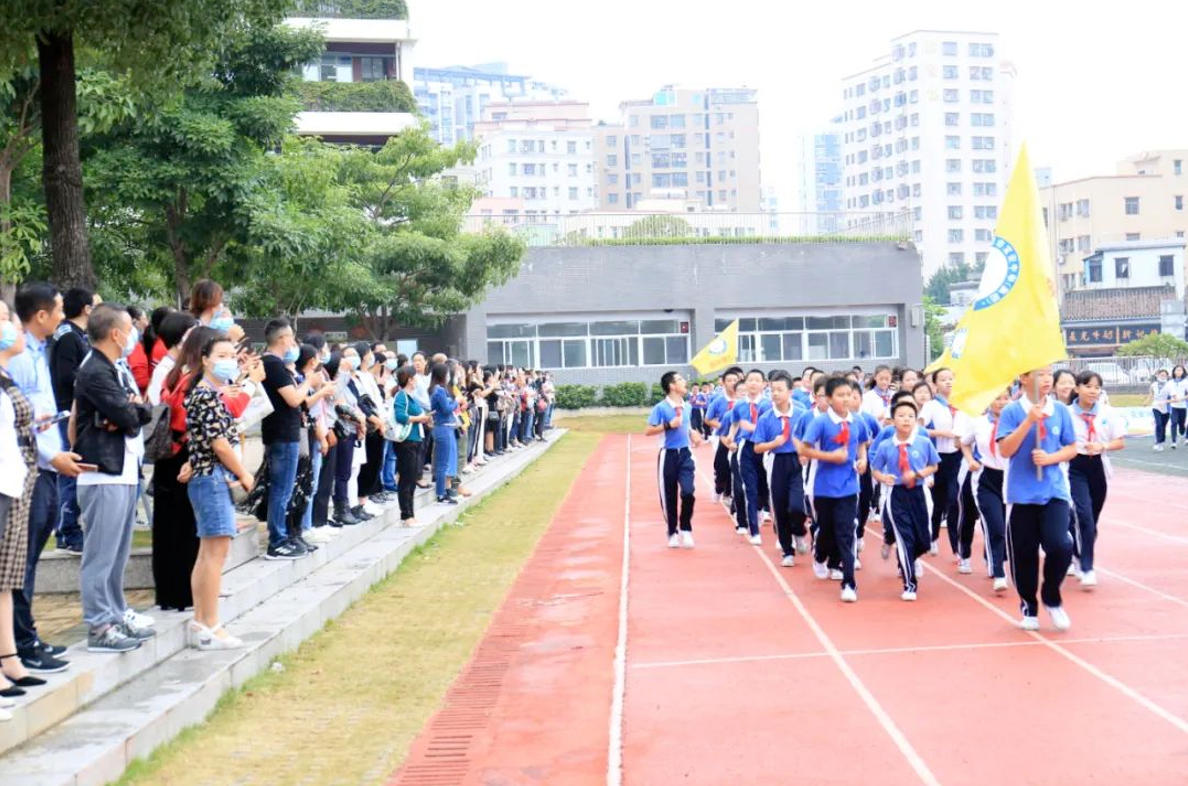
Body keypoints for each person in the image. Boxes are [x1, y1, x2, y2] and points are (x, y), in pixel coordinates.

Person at [10, 283, 84, 673]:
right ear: (41, 315)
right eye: (57, 310)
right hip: (32, 468)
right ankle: (20, 644)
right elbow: (19, 421)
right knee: (20, 563)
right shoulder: (21, 358)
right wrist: (51, 455)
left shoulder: (39, 351)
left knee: (31, 559)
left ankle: (26, 636)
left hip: (49, 466)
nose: (62, 316)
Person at [72, 304, 155, 653]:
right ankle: (99, 624)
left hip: (123, 469)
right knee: (101, 554)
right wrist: (131, 410)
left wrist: (132, 410)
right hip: (102, 473)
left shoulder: (115, 368)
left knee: (118, 553)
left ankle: (116, 612)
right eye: (129, 328)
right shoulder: (94, 370)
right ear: (116, 334)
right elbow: (127, 413)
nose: (134, 333)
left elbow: (142, 410)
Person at [185, 334, 254, 650]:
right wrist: (244, 473)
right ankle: (211, 623)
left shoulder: (212, 393)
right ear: (205, 359)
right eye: (221, 355)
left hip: (208, 477)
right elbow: (219, 444)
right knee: (215, 554)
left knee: (208, 554)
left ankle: (202, 622)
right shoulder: (206, 395)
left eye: (232, 355)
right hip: (211, 478)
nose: (228, 361)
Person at [996, 366, 1078, 631]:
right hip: (1021, 495)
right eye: (1040, 374)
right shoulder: (1012, 411)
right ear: (1024, 378)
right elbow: (1005, 450)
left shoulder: (1060, 410)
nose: (1047, 379)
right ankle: (1029, 607)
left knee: (1060, 544)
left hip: (1054, 491)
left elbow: (1072, 447)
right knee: (1024, 554)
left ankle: (1051, 597)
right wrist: (1028, 421)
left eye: (1049, 374)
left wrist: (1051, 458)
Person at [153, 326, 222, 611]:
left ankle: (169, 593)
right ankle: (185, 593)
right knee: (186, 527)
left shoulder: (174, 374)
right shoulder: (193, 382)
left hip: (169, 455)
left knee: (168, 527)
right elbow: (190, 422)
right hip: (185, 455)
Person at [0, 300, 42, 701]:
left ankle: (9, 657)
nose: (11, 326)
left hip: (15, 481)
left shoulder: (6, 375)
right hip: (5, 482)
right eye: (2, 320)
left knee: (6, 577)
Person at [799, 376, 868, 602]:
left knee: (846, 532)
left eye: (849, 394)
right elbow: (805, 449)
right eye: (840, 395)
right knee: (827, 530)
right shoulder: (820, 422)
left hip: (849, 486)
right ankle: (820, 555)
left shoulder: (857, 421)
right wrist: (830, 456)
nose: (846, 399)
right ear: (829, 398)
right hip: (824, 487)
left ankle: (849, 583)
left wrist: (862, 460)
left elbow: (862, 444)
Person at [870, 399, 939, 601]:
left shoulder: (923, 442)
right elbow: (875, 469)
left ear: (916, 420)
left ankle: (905, 553)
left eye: (910, 416)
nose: (906, 420)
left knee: (923, 540)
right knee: (905, 539)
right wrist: (883, 478)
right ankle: (910, 584)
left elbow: (934, 465)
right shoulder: (886, 445)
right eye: (901, 416)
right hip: (897, 495)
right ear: (893, 421)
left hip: (918, 493)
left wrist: (919, 474)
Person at [48, 287, 98, 555]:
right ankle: (67, 532)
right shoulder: (68, 337)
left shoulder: (77, 335)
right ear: (86, 309)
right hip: (68, 413)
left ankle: (69, 529)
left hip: (75, 412)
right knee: (70, 475)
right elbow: (66, 376)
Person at [258, 318, 313, 560]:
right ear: (282, 339)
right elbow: (293, 399)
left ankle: (285, 535)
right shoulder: (273, 364)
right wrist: (309, 381)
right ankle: (277, 540)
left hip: (284, 433)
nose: (293, 342)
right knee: (282, 489)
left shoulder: (275, 364)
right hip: (281, 434)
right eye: (291, 337)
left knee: (284, 488)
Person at [1067, 371, 1125, 589]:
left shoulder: (1107, 413)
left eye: (1097, 387)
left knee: (1092, 520)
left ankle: (1078, 550)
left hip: (1098, 467)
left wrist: (1103, 446)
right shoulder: (1066, 413)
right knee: (1084, 516)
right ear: (1077, 388)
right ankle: (1087, 567)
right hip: (1075, 467)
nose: (1093, 391)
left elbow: (1119, 442)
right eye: (1088, 386)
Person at [753, 370, 809, 566]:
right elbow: (757, 447)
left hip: (798, 462)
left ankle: (799, 532)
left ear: (790, 392)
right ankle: (787, 551)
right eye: (772, 390)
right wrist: (774, 443)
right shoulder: (766, 418)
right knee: (780, 506)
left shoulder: (802, 414)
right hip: (776, 462)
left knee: (797, 506)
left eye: (779, 390)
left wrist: (805, 452)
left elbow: (811, 438)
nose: (775, 394)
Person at [961, 390, 1011, 592]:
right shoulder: (978, 423)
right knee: (995, 525)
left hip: (1011, 479)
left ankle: (994, 557)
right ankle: (998, 572)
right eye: (997, 398)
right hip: (985, 480)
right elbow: (964, 443)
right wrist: (970, 460)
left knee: (1007, 526)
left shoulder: (1017, 422)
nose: (1002, 402)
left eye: (1006, 398)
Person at [645, 371, 702, 548]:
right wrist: (669, 425)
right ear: (671, 386)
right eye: (680, 379)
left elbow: (688, 426)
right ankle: (672, 531)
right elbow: (648, 430)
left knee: (688, 492)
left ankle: (685, 528)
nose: (684, 381)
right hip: (668, 455)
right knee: (669, 495)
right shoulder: (661, 408)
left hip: (685, 454)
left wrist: (693, 434)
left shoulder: (687, 407)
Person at [920, 368, 965, 557]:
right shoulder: (931, 406)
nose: (948, 382)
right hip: (937, 457)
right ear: (935, 384)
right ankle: (932, 537)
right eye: (943, 379)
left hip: (958, 456)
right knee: (937, 502)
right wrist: (942, 433)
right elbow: (919, 429)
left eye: (951, 378)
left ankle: (958, 547)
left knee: (954, 500)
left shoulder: (962, 404)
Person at [393, 366, 431, 525]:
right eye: (414, 378)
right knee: (406, 479)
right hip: (406, 441)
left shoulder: (411, 397)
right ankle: (406, 515)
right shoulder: (401, 396)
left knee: (412, 478)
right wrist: (419, 418)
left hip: (415, 439)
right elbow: (400, 416)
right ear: (409, 380)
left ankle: (411, 513)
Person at [704, 367, 742, 504]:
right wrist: (721, 425)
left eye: (735, 380)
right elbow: (708, 419)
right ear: (724, 383)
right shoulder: (718, 400)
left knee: (737, 468)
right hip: (723, 437)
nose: (732, 383)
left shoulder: (744, 400)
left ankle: (729, 494)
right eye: (729, 380)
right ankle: (719, 488)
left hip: (741, 438)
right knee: (722, 467)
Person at [146, 312, 198, 406]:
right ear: (178, 338)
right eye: (191, 336)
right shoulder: (163, 370)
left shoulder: (186, 365)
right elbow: (157, 407)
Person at [428, 362, 459, 504]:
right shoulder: (439, 391)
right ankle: (441, 493)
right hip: (442, 428)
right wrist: (456, 402)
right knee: (442, 463)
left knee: (445, 461)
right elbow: (446, 409)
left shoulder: (440, 390)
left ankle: (445, 490)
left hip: (446, 427)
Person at [1147, 368, 1172, 452]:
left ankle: (1161, 441)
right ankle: (1158, 442)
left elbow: (1174, 398)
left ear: (1167, 376)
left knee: (1163, 426)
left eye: (1164, 375)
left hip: (1166, 408)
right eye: (1161, 375)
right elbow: (1151, 394)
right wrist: (1146, 401)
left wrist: (1165, 401)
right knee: (1158, 424)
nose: (1163, 377)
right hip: (1156, 406)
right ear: (1158, 375)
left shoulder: (1169, 386)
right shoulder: (1153, 385)